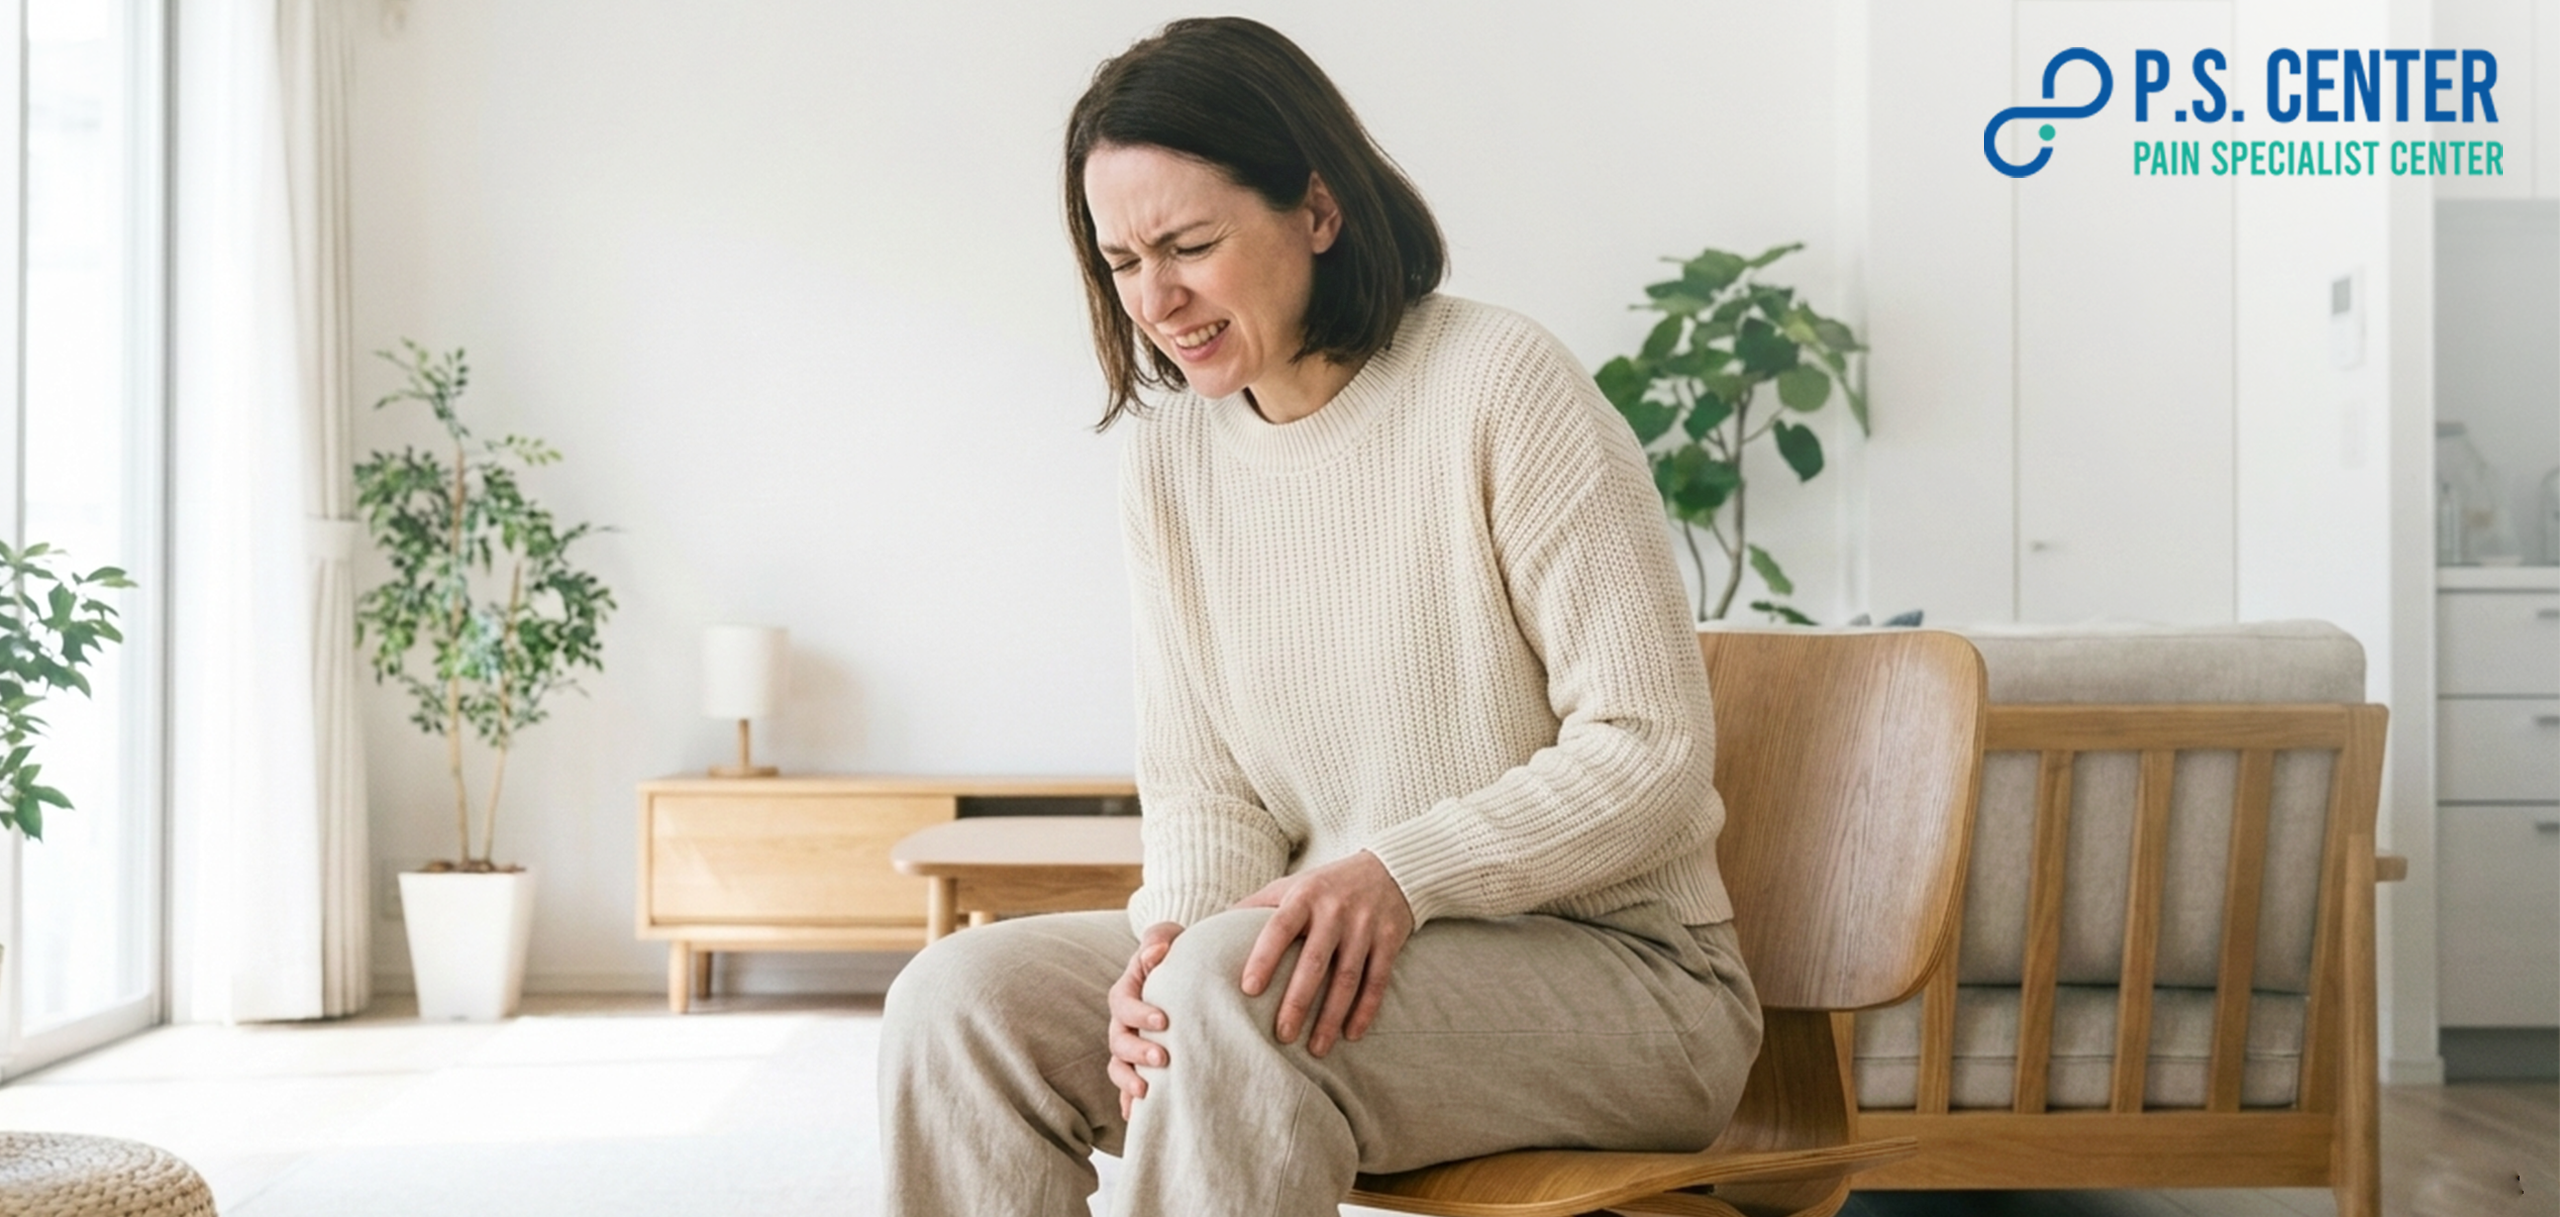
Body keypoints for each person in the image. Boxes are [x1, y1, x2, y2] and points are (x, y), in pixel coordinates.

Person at [880, 17, 1759, 1216]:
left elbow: (1648, 747)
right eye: (1121, 261)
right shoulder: (1172, 462)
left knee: (1231, 993)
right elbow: (1207, 786)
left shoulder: (1501, 385)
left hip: (1629, 981)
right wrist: (1164, 943)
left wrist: (1397, 871)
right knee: (960, 999)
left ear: (1319, 211)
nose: (1156, 298)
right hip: (1313, 955)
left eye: (1190, 245)